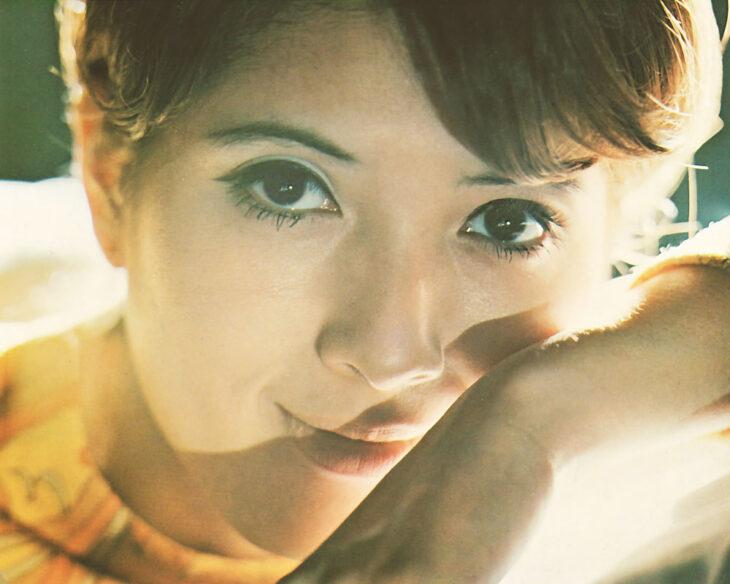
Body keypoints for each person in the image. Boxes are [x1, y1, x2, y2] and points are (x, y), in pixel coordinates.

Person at [0, 0, 728, 581]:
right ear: (108, 170)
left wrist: (534, 416)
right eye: (287, 189)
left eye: (507, 222)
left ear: (620, 224)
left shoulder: (667, 521)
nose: (387, 357)